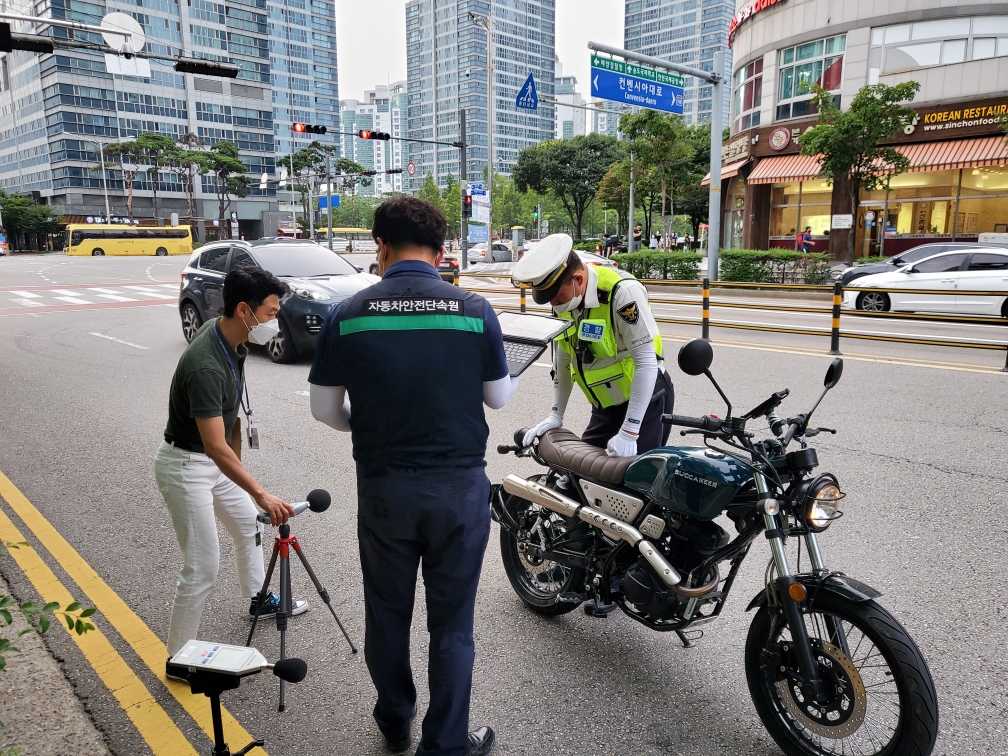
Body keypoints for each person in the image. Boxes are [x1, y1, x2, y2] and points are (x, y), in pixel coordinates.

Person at [309, 196, 511, 756]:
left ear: (380, 245)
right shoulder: (474, 310)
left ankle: (395, 719)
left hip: (384, 490)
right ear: (442, 250)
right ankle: (445, 743)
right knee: (452, 626)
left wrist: (372, 426)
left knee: (387, 614)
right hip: (458, 491)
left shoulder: (348, 315)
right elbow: (497, 397)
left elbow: (324, 410)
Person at [155, 266, 307, 678]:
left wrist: (242, 483)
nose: (275, 321)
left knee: (248, 526)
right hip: (186, 466)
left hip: (211, 461)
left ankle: (260, 598)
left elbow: (230, 428)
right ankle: (179, 659)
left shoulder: (229, 337)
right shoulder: (205, 364)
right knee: (202, 566)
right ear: (245, 310)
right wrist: (261, 492)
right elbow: (214, 445)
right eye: (272, 313)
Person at [512, 233, 674, 458]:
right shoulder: (568, 300)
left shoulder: (622, 293)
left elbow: (646, 363)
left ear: (578, 280)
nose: (554, 304)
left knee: (636, 481)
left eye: (557, 297)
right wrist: (556, 415)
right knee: (579, 473)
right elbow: (563, 359)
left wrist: (629, 431)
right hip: (605, 406)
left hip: (645, 403)